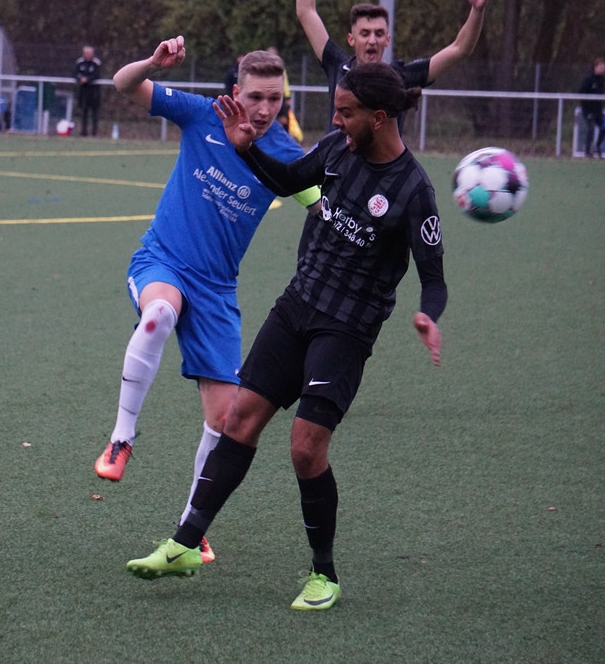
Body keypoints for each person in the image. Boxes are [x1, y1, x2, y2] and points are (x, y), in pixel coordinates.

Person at [126, 62, 446, 613]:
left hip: (346, 327)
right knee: (238, 420)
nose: (336, 120)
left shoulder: (414, 190)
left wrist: (427, 314)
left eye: (346, 112)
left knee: (304, 446)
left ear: (379, 117)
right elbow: (287, 181)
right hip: (297, 305)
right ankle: (184, 544)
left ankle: (324, 574)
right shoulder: (338, 149)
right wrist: (246, 149)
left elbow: (434, 279)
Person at [95, 36, 321, 563]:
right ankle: (122, 438)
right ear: (236, 92)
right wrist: (152, 62)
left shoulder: (285, 154)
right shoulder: (202, 114)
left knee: (225, 423)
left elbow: (323, 209)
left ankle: (189, 528)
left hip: (218, 292)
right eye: (255, 96)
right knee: (159, 313)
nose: (264, 108)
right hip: (164, 262)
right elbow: (124, 84)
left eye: (275, 98)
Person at [296, 0, 490, 130]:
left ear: (387, 40)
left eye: (379, 34)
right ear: (351, 39)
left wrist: (477, 10)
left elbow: (460, 48)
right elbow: (306, 11)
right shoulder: (337, 67)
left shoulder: (400, 77)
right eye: (365, 33)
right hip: (337, 165)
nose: (372, 40)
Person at [579, 58, 605, 158]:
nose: (603, 69)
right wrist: (586, 106)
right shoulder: (589, 78)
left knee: (604, 127)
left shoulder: (602, 79)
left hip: (598, 110)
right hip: (588, 110)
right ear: (595, 67)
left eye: (604, 68)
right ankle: (587, 152)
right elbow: (581, 92)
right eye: (601, 67)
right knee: (590, 128)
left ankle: (597, 146)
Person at [74, 45, 102, 137]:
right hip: (83, 92)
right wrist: (80, 79)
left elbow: (97, 74)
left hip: (94, 92)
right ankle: (83, 132)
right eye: (86, 53)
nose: (87, 55)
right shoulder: (80, 62)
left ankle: (94, 132)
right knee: (84, 111)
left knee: (94, 113)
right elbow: (75, 73)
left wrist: (88, 79)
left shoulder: (96, 63)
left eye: (89, 53)